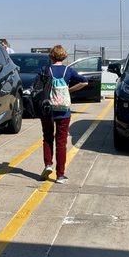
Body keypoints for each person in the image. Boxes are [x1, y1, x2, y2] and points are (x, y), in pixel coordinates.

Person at [40, 45, 88, 184]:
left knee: (47, 138)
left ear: (51, 56)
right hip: (64, 111)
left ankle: (48, 165)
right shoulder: (69, 70)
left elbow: (37, 86)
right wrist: (69, 90)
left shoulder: (45, 70)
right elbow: (84, 82)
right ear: (64, 57)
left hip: (47, 110)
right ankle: (60, 175)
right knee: (61, 142)